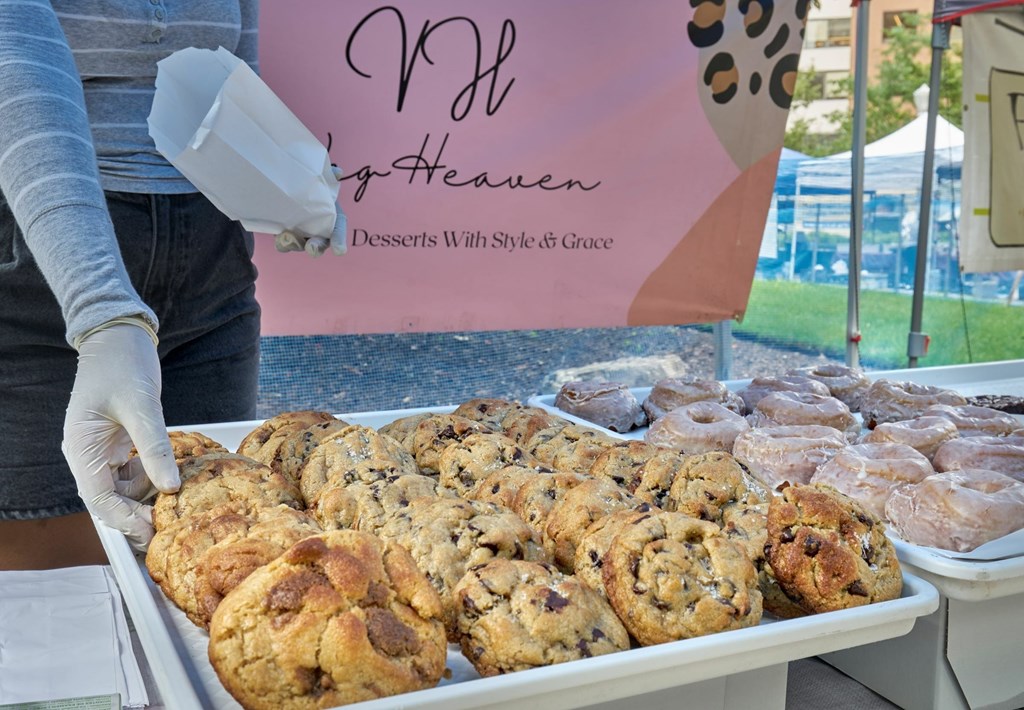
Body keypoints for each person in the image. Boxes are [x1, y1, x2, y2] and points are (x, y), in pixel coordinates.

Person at [0, 1, 344, 569]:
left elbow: (231, 79)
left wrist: (286, 181)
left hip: (212, 261)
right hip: (49, 250)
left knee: (228, 549)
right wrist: (103, 312)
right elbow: (14, 51)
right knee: (58, 569)